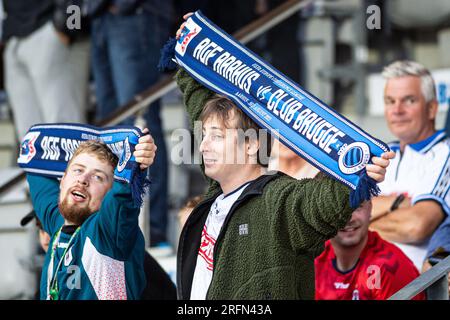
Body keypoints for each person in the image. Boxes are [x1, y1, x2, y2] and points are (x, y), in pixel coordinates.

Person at [174, 13, 394, 300]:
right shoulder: (216, 194)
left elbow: (326, 198)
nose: (203, 147)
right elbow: (197, 98)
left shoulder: (280, 201)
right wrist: (192, 43)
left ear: (252, 145)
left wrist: (361, 167)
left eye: (216, 136)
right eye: (204, 137)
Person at [26, 130, 156, 300]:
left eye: (98, 177)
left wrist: (136, 156)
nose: (83, 180)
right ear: (63, 179)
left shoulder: (107, 234)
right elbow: (34, 160)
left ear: (109, 193)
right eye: (78, 170)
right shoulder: (57, 221)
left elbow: (122, 196)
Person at [87, 0, 173, 246]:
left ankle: (153, 231)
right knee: (110, 128)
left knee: (139, 124)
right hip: (101, 17)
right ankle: (118, 223)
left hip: (137, 14)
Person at [369, 60, 449, 270]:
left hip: (409, 287)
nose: (397, 110)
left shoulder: (445, 153)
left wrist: (358, 226)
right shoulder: (376, 153)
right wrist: (397, 204)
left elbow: (416, 226)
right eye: (390, 101)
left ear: (431, 108)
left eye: (409, 100)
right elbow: (341, 215)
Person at [2, 0, 90, 140]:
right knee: (29, 135)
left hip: (49, 31)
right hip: (14, 35)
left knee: (64, 128)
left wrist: (71, 28)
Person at [315, 200, 425, 300]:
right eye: (337, 208)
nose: (349, 218)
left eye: (357, 206)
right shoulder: (312, 258)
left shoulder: (388, 267)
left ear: (370, 208)